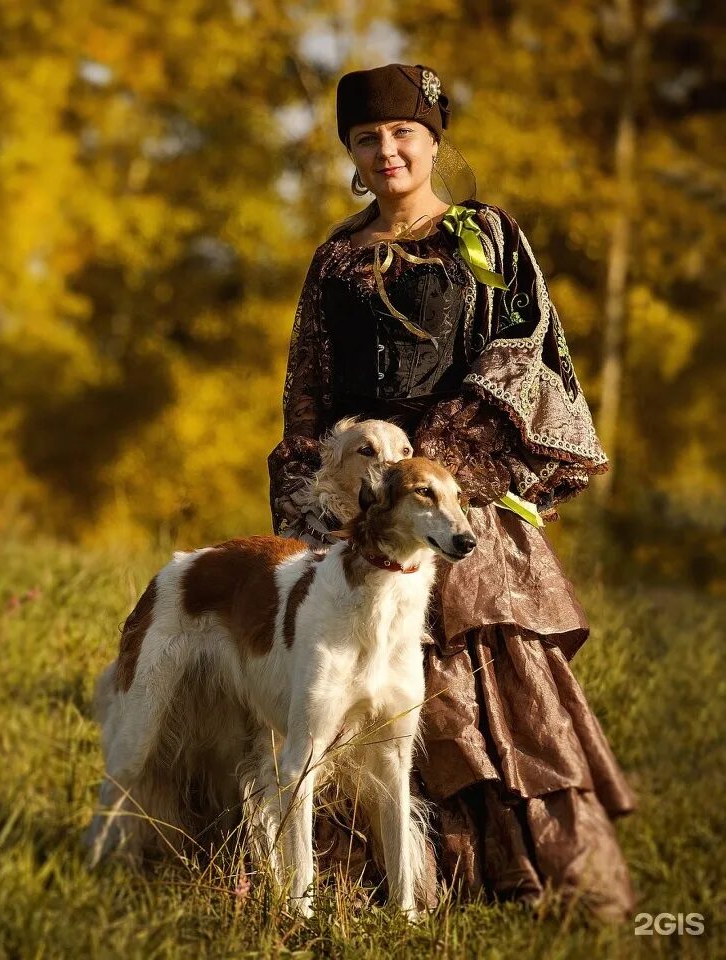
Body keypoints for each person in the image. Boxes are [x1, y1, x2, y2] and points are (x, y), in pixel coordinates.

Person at [267, 63, 635, 919]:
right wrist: (325, 500)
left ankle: (519, 888)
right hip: (362, 511)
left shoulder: (486, 235)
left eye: (403, 134)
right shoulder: (334, 257)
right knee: (335, 696)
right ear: (351, 153)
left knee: (488, 682)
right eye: (367, 138)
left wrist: (430, 470)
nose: (386, 150)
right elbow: (307, 393)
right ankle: (366, 888)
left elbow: (524, 351)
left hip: (455, 490)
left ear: (433, 140)